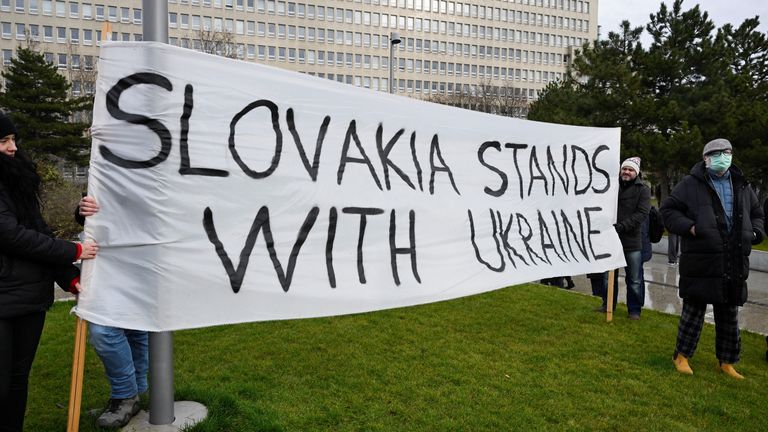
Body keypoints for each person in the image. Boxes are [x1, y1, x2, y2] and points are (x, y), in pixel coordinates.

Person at [0, 112, 98, 431]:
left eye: (13, 139)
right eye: (3, 141)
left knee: (17, 380)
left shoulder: (16, 182)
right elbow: (11, 236)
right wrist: (75, 250)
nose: (13, 147)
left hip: (28, 299)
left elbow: (38, 232)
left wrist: (68, 275)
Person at [661, 138, 764, 379]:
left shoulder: (742, 185)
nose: (723, 157)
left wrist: (755, 232)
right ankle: (682, 356)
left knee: (729, 314)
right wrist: (691, 228)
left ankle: (727, 361)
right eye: (717, 153)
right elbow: (668, 210)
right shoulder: (690, 184)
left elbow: (757, 213)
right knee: (694, 312)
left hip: (734, 258)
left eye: (727, 152)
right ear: (706, 158)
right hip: (701, 260)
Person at [76, 196, 149, 428]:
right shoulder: (111, 166)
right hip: (110, 263)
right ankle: (127, 395)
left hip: (146, 260)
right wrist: (82, 210)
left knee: (135, 328)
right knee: (104, 329)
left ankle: (130, 396)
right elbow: (99, 209)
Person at [597, 157, 650, 320]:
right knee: (607, 277)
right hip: (610, 239)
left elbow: (641, 214)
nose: (626, 172)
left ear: (636, 172)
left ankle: (634, 310)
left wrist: (621, 227)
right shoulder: (611, 186)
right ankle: (608, 304)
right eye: (624, 169)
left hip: (632, 241)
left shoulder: (643, 190)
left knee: (634, 278)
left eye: (630, 169)